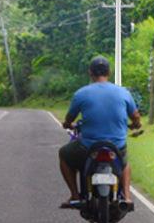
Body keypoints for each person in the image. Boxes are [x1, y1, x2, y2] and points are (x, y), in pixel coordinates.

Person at [59, 56, 141, 209]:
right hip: (116, 146)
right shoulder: (123, 92)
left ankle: (75, 195)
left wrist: (68, 124)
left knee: (64, 154)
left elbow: (70, 118)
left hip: (88, 147)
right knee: (124, 162)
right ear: (109, 72)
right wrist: (136, 124)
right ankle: (127, 197)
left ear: (90, 73)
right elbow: (135, 116)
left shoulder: (81, 93)